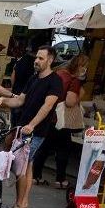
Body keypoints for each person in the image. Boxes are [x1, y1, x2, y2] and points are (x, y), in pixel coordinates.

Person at [0, 45, 65, 208]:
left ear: (50, 60)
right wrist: (3, 100)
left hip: (36, 131)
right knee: (28, 164)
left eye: (41, 58)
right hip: (22, 127)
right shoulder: (33, 78)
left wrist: (32, 125)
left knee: (21, 166)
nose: (36, 61)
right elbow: (20, 100)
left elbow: (47, 107)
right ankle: (24, 203)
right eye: (36, 58)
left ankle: (19, 204)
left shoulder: (55, 81)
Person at [35, 53, 86, 191]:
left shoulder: (58, 74)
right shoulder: (74, 80)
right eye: (84, 67)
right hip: (60, 120)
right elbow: (70, 102)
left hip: (47, 115)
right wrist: (80, 95)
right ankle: (61, 179)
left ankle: (35, 175)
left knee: (44, 147)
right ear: (79, 67)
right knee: (63, 149)